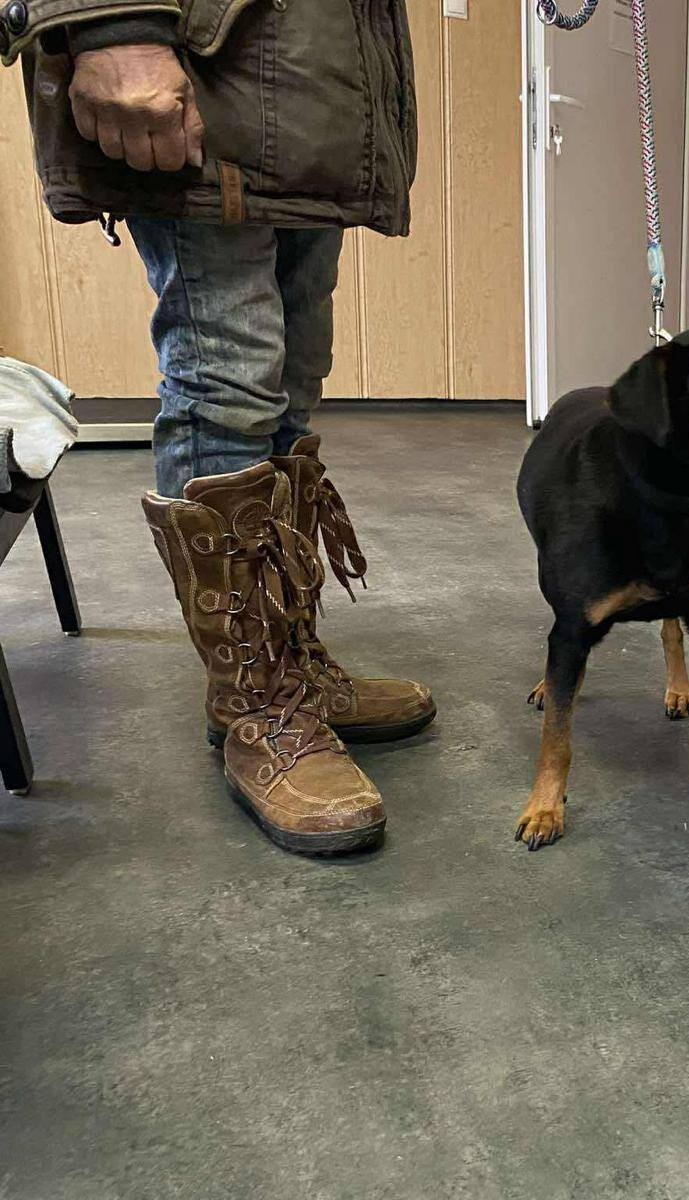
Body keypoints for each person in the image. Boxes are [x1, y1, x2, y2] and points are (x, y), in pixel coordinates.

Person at [2, 0, 435, 855]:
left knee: (292, 382)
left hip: (304, 98)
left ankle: (289, 666)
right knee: (226, 379)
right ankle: (254, 703)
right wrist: (109, 23)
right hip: (202, 76)